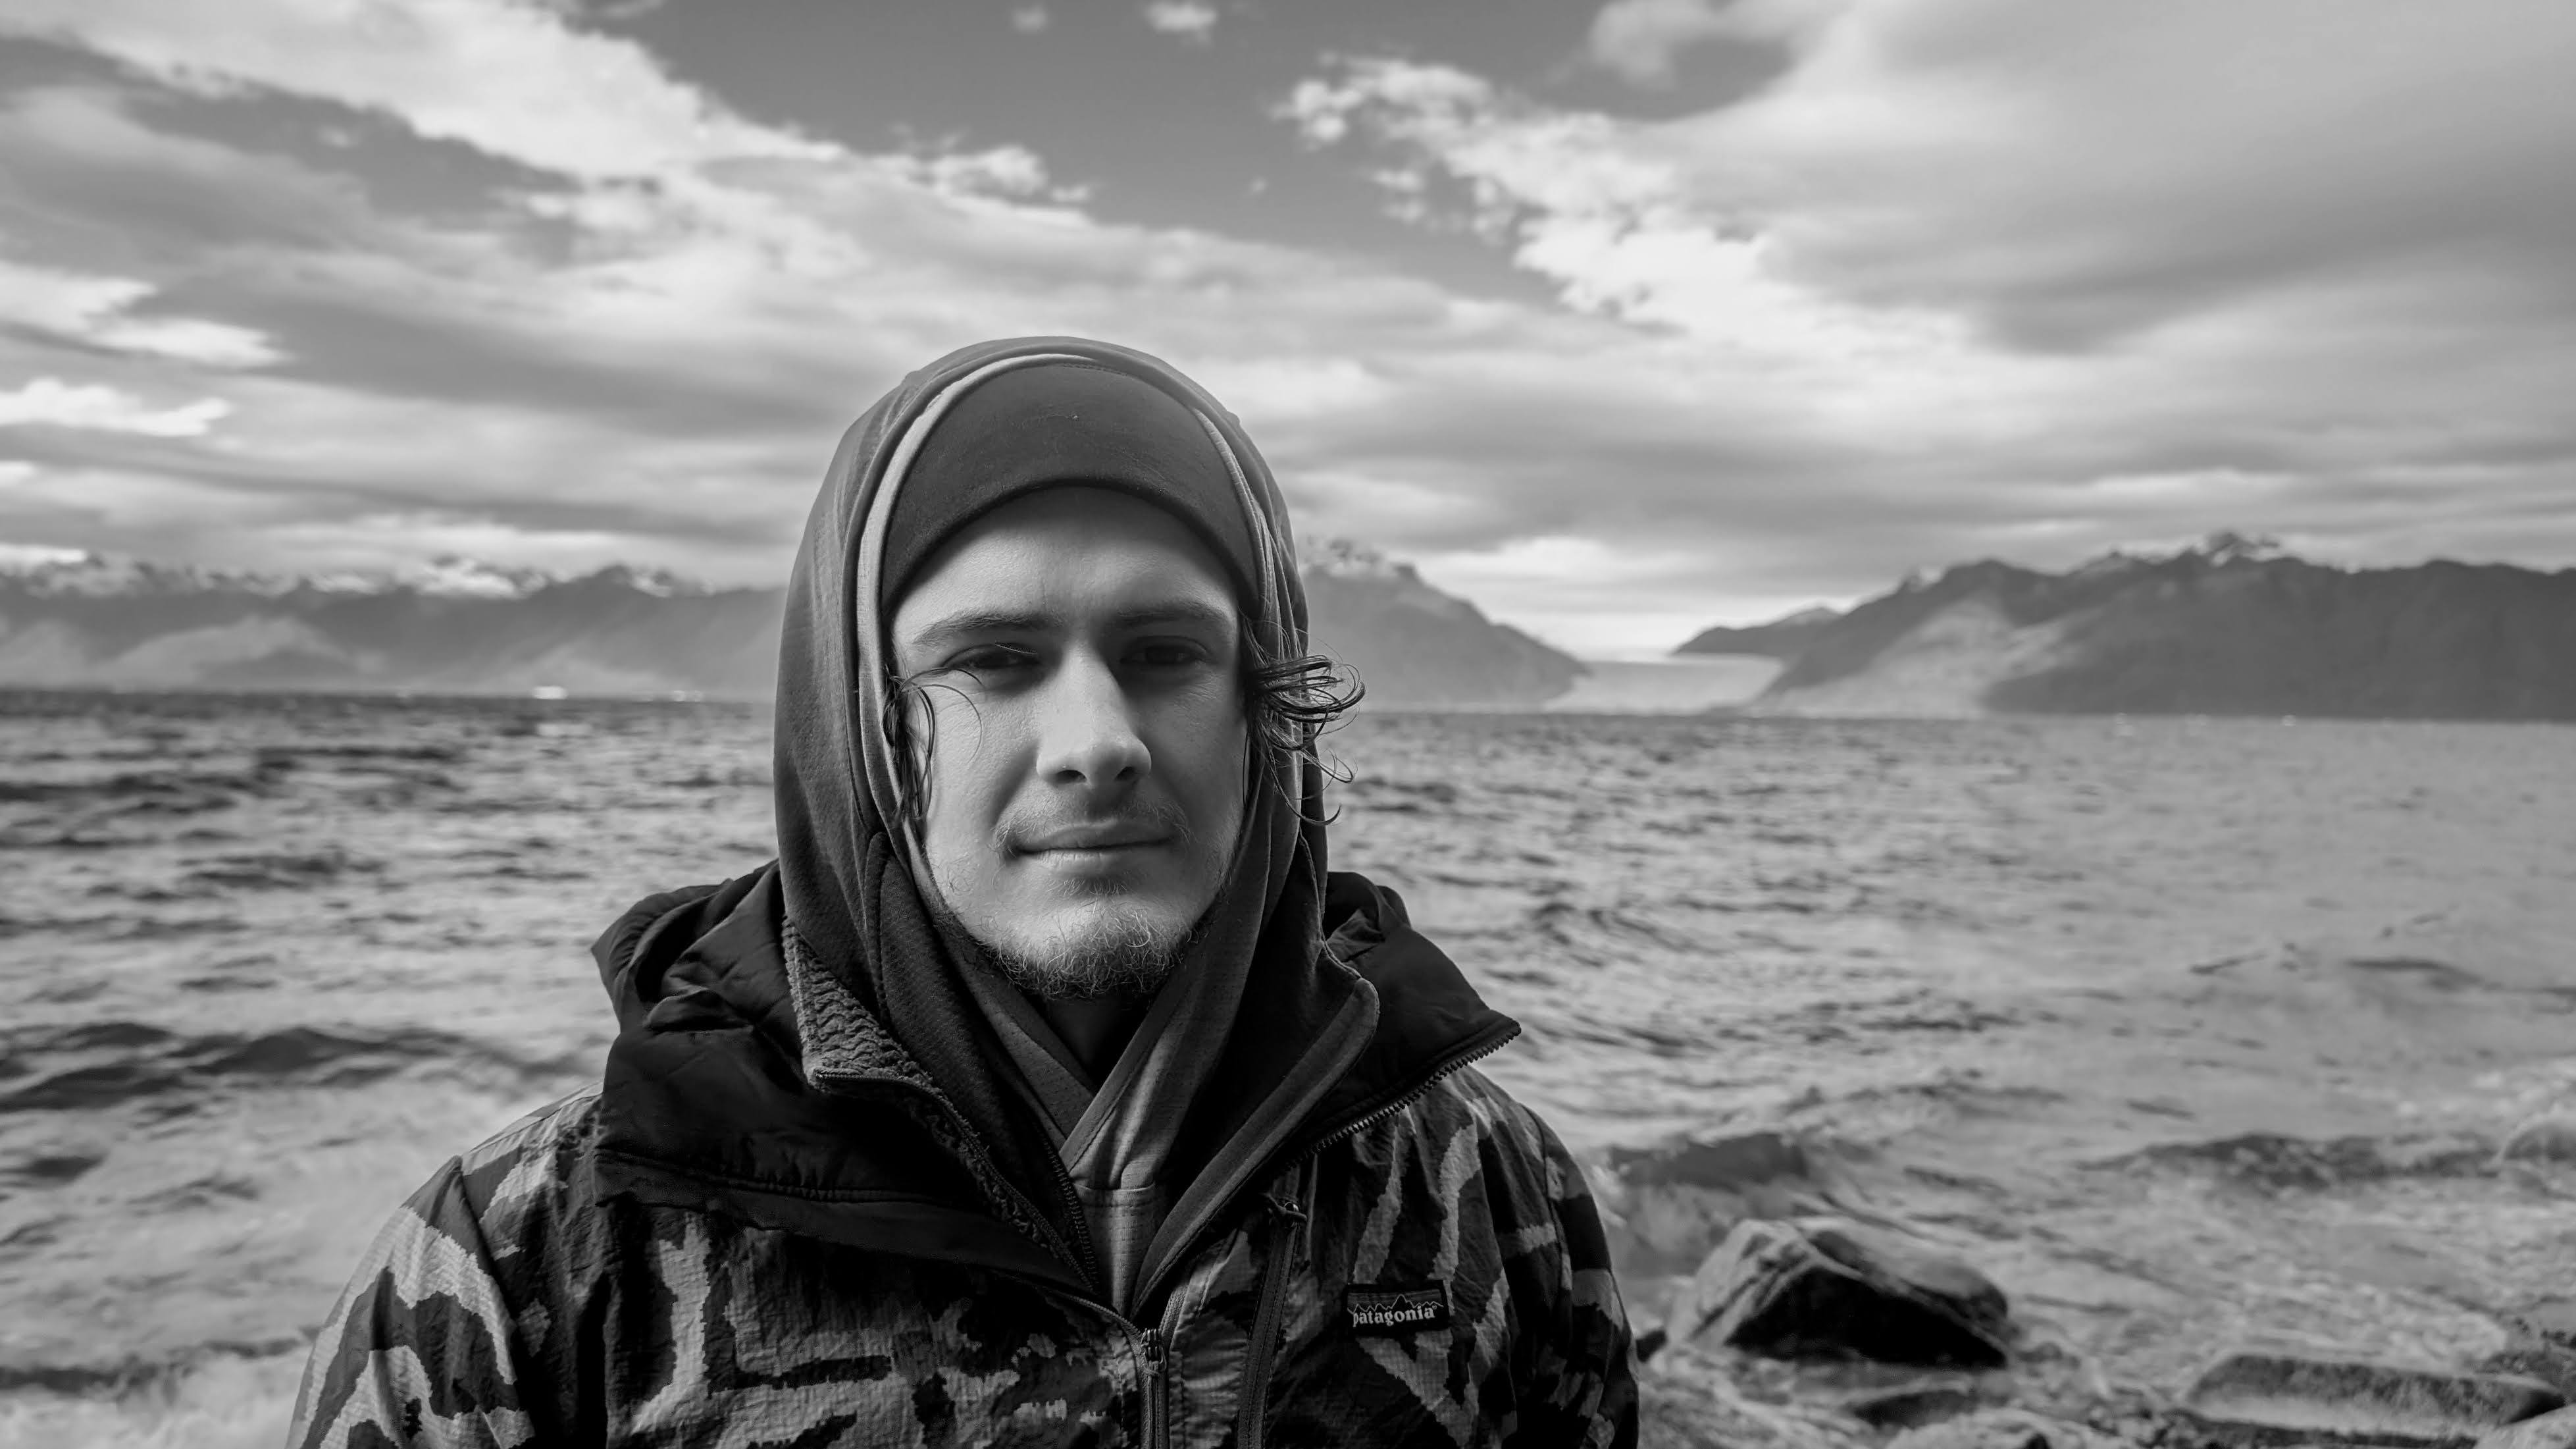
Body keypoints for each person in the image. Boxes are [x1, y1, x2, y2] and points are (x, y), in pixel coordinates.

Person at [287, 336, 1636, 1447]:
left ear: (1265, 710)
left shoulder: (1482, 1192)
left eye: (1166, 652)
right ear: (856, 726)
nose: (1097, 739)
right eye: (992, 660)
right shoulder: (532, 1259)